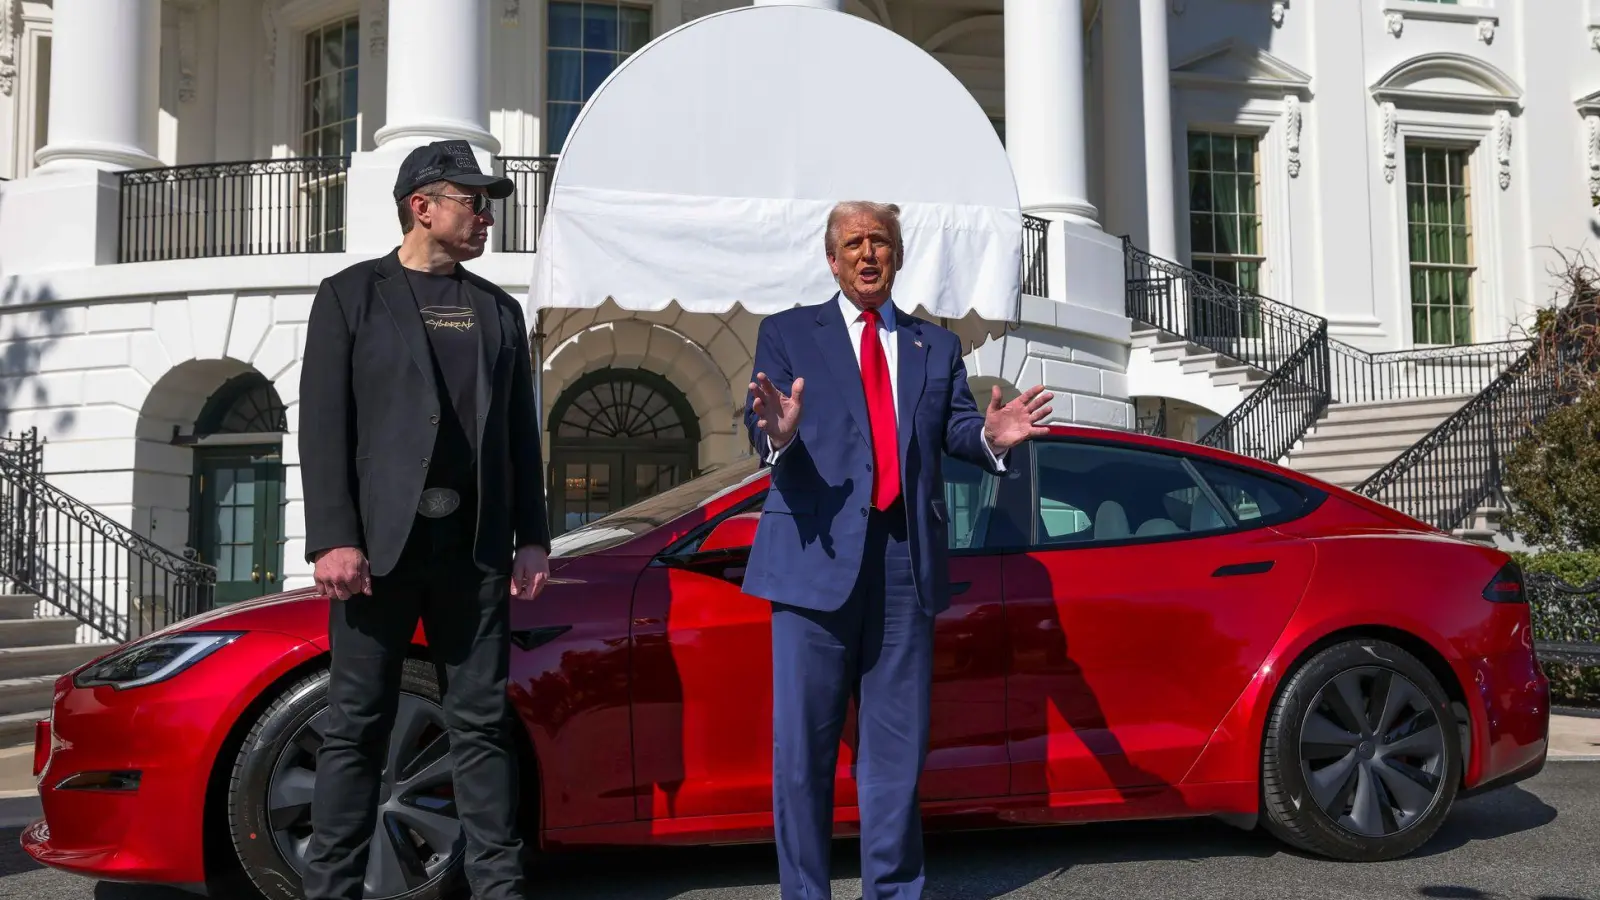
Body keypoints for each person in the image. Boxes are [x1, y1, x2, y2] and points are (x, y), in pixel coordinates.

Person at [742, 200, 1053, 899]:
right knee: (803, 758)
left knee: (895, 758)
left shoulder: (933, 346)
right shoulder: (790, 333)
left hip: (904, 568)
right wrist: (781, 433)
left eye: (879, 241)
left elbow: (959, 430)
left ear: (898, 255)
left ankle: (893, 893)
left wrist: (991, 440)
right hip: (812, 568)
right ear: (831, 259)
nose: (867, 254)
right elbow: (760, 425)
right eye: (852, 243)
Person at [297, 138, 552, 900]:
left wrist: (532, 536)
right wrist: (333, 535)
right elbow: (323, 426)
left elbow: (517, 434)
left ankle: (498, 890)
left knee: (479, 727)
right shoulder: (349, 296)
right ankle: (332, 892)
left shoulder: (497, 310)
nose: (486, 218)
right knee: (356, 727)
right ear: (423, 206)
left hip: (473, 552)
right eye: (474, 202)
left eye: (486, 204)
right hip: (379, 550)